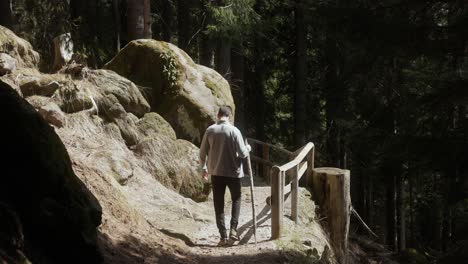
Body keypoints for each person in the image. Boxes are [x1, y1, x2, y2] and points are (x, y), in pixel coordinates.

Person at [199, 105, 251, 246]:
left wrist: (204, 168)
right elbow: (242, 153)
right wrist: (248, 148)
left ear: (218, 115)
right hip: (233, 173)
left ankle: (223, 237)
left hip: (216, 173)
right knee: (236, 199)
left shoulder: (210, 130)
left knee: (218, 204)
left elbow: (202, 154)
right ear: (230, 116)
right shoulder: (235, 131)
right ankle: (233, 230)